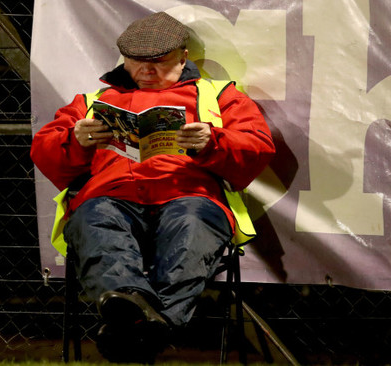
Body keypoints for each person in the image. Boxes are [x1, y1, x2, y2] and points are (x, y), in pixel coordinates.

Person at [31, 11, 275, 363]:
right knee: (94, 219)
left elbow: (258, 148)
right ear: (124, 59)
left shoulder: (219, 95)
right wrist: (77, 139)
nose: (146, 71)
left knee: (191, 226)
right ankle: (148, 319)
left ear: (183, 57)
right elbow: (45, 152)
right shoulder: (91, 101)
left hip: (190, 195)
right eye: (136, 62)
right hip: (110, 195)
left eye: (158, 62)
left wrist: (213, 141)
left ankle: (129, 327)